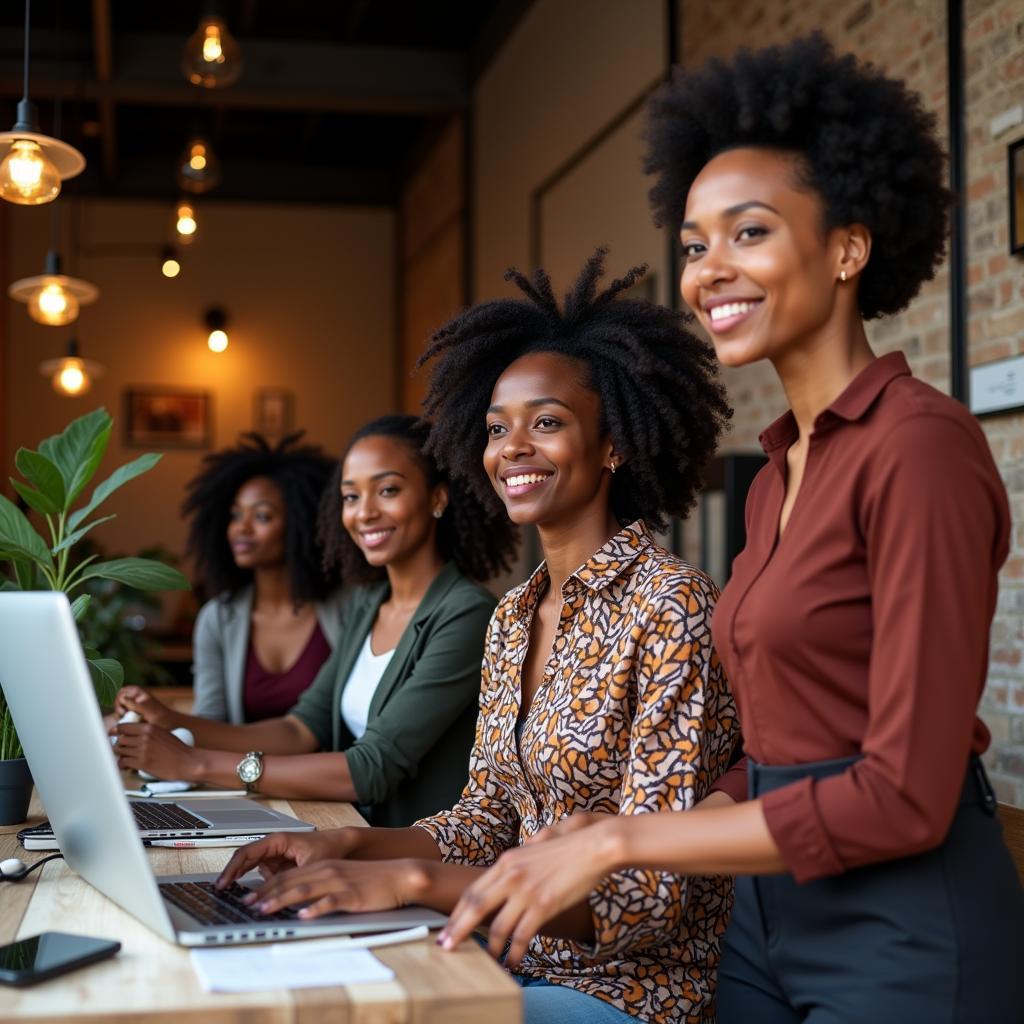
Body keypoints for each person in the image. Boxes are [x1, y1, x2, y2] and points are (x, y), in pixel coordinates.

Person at [431, 35, 1024, 1023]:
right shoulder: (772, 475)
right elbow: (780, 745)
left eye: (747, 233)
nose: (709, 271)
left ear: (848, 245)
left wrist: (621, 839)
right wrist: (637, 826)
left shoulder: (920, 447)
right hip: (764, 920)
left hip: (904, 933)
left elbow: (904, 793)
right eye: (696, 243)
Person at [216, 251, 738, 1024]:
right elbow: (487, 818)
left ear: (614, 445)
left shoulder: (672, 605)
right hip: (498, 955)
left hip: (628, 991)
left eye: (548, 423)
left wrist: (413, 885)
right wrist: (350, 851)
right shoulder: (513, 618)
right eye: (498, 429)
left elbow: (649, 897)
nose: (513, 448)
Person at [113, 415, 516, 827]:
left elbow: (371, 768)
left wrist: (196, 764)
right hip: (348, 830)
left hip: (420, 856)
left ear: (437, 499)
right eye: (351, 496)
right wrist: (172, 721)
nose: (365, 513)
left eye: (388, 490)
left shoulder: (466, 613)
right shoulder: (368, 604)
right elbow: (299, 729)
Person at [181, 432, 344, 724]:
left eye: (262, 516)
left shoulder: (348, 607)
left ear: (302, 523)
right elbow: (210, 718)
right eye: (234, 515)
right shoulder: (217, 618)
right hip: (240, 769)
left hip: (331, 768)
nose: (240, 529)